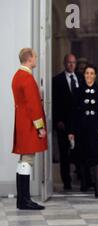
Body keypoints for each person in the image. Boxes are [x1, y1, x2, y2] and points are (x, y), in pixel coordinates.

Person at [12, 48, 48, 210]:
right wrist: (40, 128)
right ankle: (25, 200)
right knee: (28, 160)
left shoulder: (17, 76)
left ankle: (22, 199)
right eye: (35, 57)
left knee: (23, 160)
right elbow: (34, 106)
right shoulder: (27, 78)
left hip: (22, 122)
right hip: (29, 124)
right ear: (29, 59)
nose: (36, 59)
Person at [68, 64, 98, 197]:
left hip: (96, 129)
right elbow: (72, 112)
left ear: (95, 75)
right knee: (82, 156)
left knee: (96, 158)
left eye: (92, 73)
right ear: (84, 75)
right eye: (87, 73)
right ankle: (84, 183)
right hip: (81, 128)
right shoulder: (77, 91)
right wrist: (71, 131)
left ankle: (97, 187)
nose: (89, 76)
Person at [52, 53, 83, 191]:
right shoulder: (57, 80)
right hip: (63, 122)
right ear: (64, 63)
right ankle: (67, 182)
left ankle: (83, 179)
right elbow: (54, 102)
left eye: (74, 62)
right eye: (69, 62)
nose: (71, 65)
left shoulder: (81, 78)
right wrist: (58, 120)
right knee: (65, 154)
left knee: (79, 152)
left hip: (79, 123)